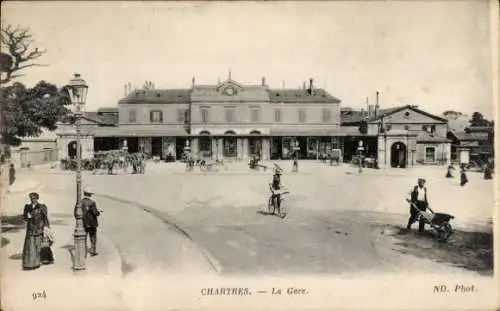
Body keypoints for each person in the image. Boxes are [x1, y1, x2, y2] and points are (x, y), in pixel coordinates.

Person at [22, 192, 51, 270]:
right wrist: (27, 217)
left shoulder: (42, 207)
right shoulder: (27, 207)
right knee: (30, 247)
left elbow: (45, 219)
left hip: (39, 230)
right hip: (30, 230)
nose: (32, 200)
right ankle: (29, 264)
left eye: (34, 198)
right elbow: (24, 218)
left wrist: (46, 229)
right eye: (31, 198)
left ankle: (37, 263)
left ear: (37, 198)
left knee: (37, 247)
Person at [80, 188, 101, 256]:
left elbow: (76, 212)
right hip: (92, 223)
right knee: (93, 238)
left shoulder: (80, 202)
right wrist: (98, 213)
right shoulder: (92, 202)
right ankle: (92, 251)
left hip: (83, 223)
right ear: (90, 195)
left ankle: (84, 252)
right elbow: (95, 212)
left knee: (84, 238)